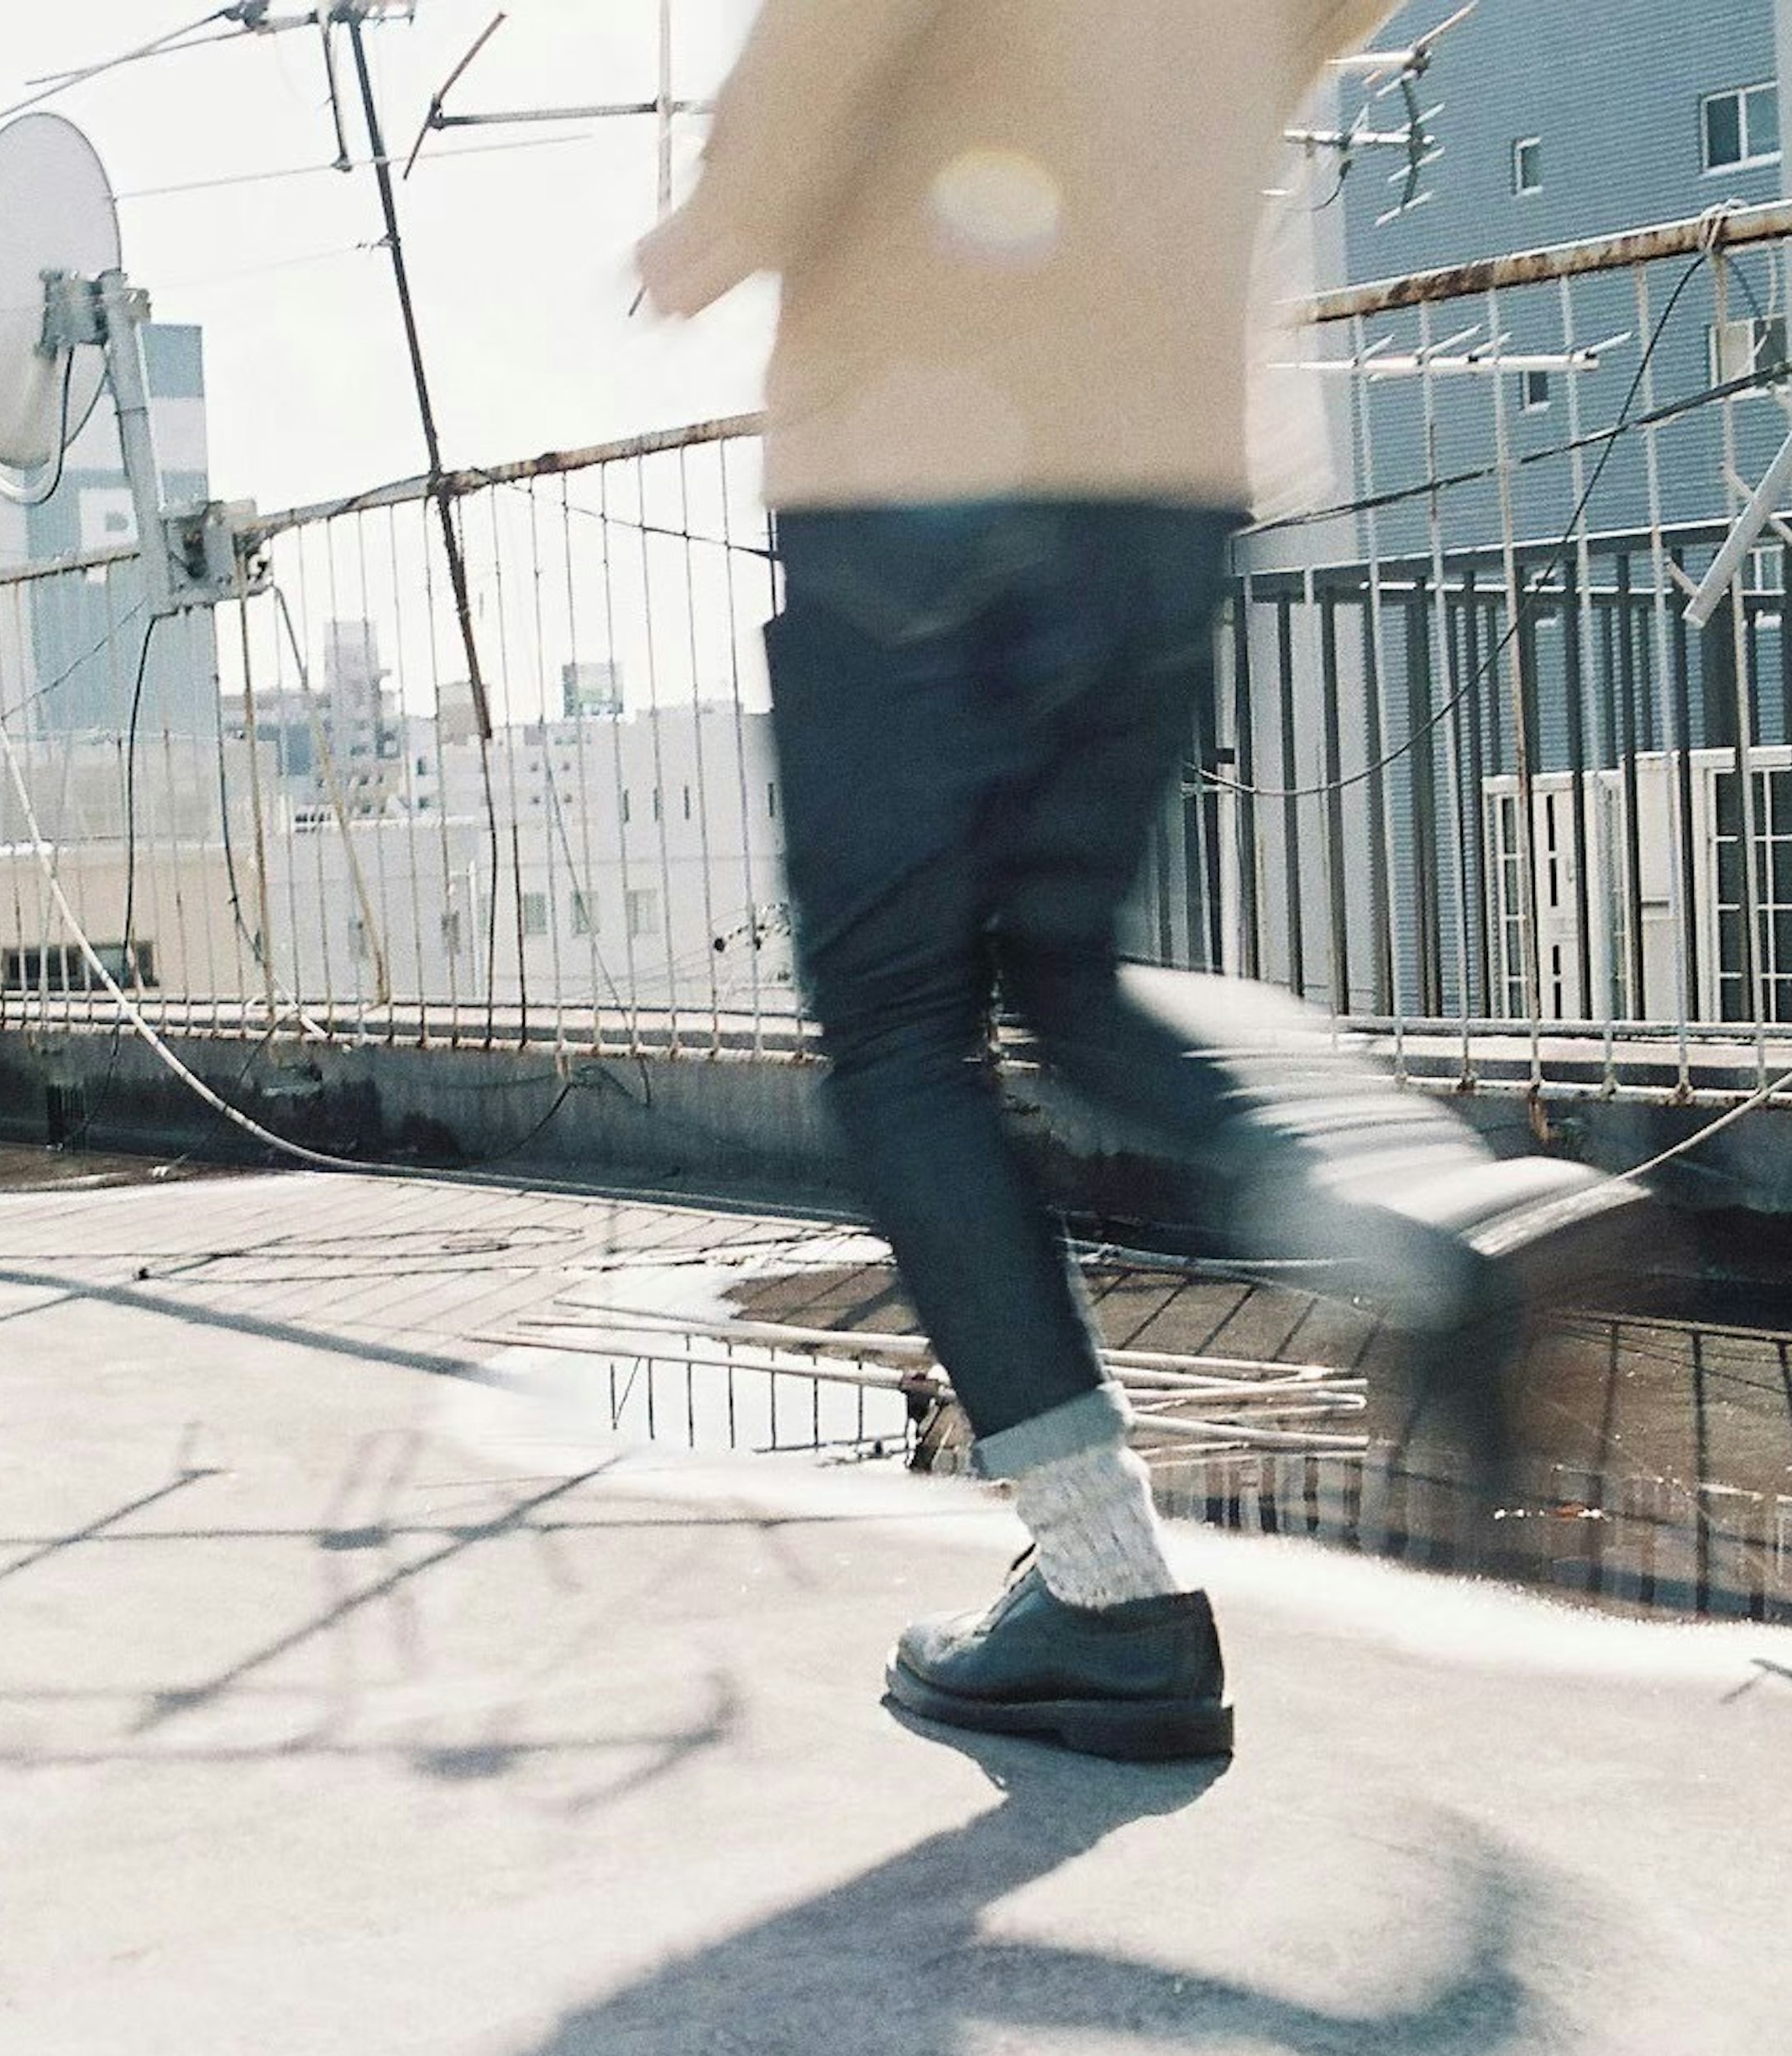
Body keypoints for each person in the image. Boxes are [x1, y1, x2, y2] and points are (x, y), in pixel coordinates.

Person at [639, 0, 1628, 1763]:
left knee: (902, 1033)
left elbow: (803, 102)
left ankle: (1105, 1593)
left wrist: (705, 228)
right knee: (1077, 978)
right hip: (1170, 476)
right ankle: (1432, 1209)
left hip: (919, 469)